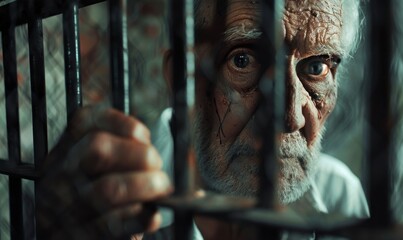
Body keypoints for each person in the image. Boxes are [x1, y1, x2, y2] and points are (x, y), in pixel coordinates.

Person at [37, 0, 369, 239]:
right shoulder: (108, 193)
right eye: (242, 60)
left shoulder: (341, 195)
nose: (290, 117)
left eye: (317, 68)